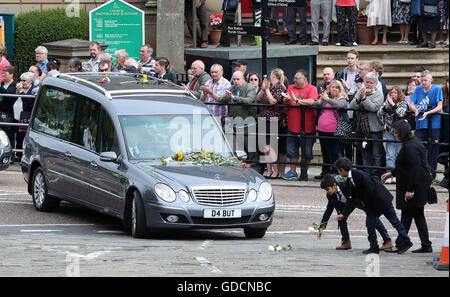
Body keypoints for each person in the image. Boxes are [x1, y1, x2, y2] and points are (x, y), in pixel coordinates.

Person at [335, 157, 413, 254]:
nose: (339, 173)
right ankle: (375, 246)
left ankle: (404, 241)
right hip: (376, 202)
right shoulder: (352, 177)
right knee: (373, 223)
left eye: (338, 171)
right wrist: (344, 214)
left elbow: (370, 188)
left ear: (342, 170)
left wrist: (365, 202)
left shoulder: (358, 175)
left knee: (392, 221)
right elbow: (351, 197)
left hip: (379, 201)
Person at [381, 120, 433, 253]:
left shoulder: (410, 146)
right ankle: (425, 245)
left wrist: (410, 190)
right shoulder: (412, 142)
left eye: (396, 132)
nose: (395, 134)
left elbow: (414, 168)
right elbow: (406, 165)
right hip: (419, 183)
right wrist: (391, 173)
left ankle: (401, 243)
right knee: (417, 215)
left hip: (416, 185)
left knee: (407, 214)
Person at [218, 71, 263, 174]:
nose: (236, 81)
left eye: (238, 79)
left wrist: (234, 98)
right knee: (240, 149)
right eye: (234, 79)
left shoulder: (249, 88)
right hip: (235, 124)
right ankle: (243, 170)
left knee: (251, 149)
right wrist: (226, 96)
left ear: (243, 79)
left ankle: (256, 171)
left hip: (248, 123)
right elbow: (221, 99)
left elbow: (249, 100)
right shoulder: (232, 88)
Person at [282, 70, 318, 181]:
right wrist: (287, 100)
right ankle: (292, 172)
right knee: (291, 151)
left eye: (297, 78)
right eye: (294, 78)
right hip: (292, 126)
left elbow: (312, 101)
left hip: (307, 127)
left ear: (304, 79)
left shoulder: (312, 88)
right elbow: (285, 101)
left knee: (307, 152)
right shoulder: (291, 87)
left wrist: (297, 100)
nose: (294, 80)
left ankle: (304, 172)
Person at [408, 70, 444, 179]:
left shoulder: (437, 89)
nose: (423, 82)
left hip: (434, 124)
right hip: (420, 123)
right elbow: (411, 104)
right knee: (417, 148)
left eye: (425, 80)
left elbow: (440, 106)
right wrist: (415, 110)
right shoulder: (418, 89)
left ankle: (431, 176)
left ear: (431, 80)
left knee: (433, 150)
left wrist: (428, 112)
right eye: (422, 80)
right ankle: (419, 173)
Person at [351, 72, 385, 179]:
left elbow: (373, 108)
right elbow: (353, 105)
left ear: (375, 83)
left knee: (376, 153)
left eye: (371, 82)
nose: (368, 84)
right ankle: (366, 173)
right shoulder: (361, 91)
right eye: (367, 82)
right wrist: (358, 98)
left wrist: (364, 98)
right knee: (365, 152)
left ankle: (376, 174)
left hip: (374, 128)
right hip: (361, 127)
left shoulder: (379, 93)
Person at [256, 68, 288, 179]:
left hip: (274, 119)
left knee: (272, 146)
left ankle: (275, 171)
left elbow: (273, 101)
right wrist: (263, 89)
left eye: (271, 75)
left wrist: (268, 90)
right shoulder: (268, 86)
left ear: (274, 76)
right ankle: (268, 170)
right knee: (265, 146)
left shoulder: (280, 87)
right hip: (263, 117)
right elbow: (258, 98)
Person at [314, 80, 348, 176]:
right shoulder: (325, 97)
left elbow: (340, 106)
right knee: (325, 152)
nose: (334, 89)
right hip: (322, 130)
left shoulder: (342, 98)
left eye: (336, 87)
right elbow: (314, 104)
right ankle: (325, 172)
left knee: (337, 152)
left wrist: (327, 99)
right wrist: (320, 100)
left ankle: (337, 173)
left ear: (340, 89)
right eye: (332, 87)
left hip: (336, 131)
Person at [378, 87, 409, 182]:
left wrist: (392, 104)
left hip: (400, 132)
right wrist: (385, 107)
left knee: (398, 153)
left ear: (399, 94)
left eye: (395, 93)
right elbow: (379, 113)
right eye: (391, 93)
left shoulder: (402, 102)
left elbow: (401, 113)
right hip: (390, 131)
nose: (393, 95)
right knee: (389, 154)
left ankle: (397, 175)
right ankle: (389, 175)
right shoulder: (386, 102)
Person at [318, 174, 355, 250]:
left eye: (327, 189)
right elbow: (328, 211)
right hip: (348, 204)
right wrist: (322, 227)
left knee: (372, 217)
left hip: (357, 200)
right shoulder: (330, 195)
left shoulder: (345, 187)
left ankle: (386, 239)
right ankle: (346, 242)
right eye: (325, 190)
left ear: (334, 185)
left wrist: (343, 213)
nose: (327, 191)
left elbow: (352, 198)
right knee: (341, 219)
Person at [15, 72, 37, 160]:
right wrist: (18, 91)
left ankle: (27, 155)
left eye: (24, 81)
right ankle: (19, 154)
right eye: (21, 80)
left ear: (30, 82)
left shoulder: (34, 89)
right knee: (20, 135)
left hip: (30, 114)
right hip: (22, 115)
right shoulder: (21, 89)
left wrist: (21, 92)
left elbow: (28, 100)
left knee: (27, 136)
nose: (22, 82)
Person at [0, 65, 17, 162]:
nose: (3, 75)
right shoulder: (2, 84)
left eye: (5, 73)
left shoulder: (14, 85)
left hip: (8, 115)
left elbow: (10, 98)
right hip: (0, 113)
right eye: (2, 73)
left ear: (11, 74)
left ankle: (11, 156)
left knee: (9, 136)